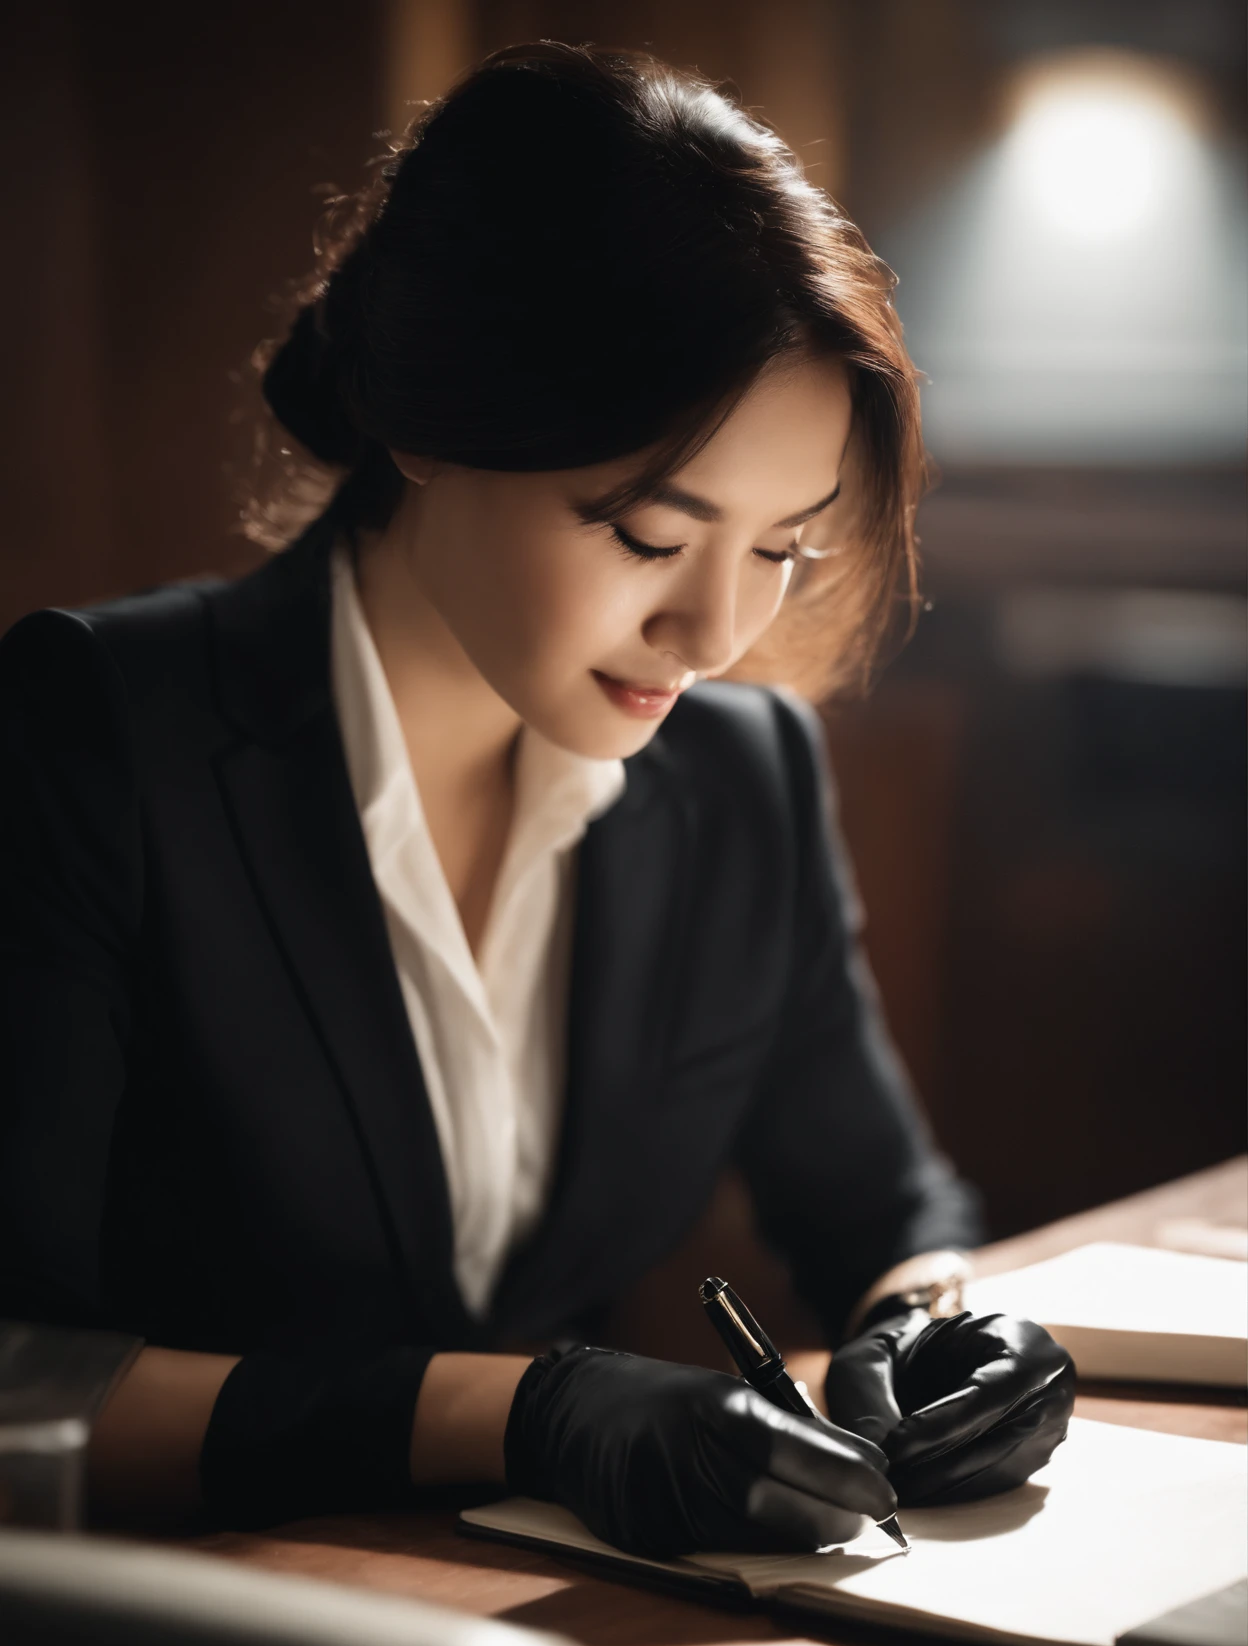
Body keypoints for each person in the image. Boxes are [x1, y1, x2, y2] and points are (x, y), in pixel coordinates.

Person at [0, 43, 1073, 1556]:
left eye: (784, 548)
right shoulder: (97, 732)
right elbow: (14, 1384)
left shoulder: (743, 775)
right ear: (429, 422)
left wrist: (944, 1328)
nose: (718, 639)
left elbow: (884, 1212)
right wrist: (522, 1412)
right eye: (649, 534)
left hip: (545, 1645)